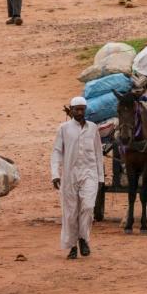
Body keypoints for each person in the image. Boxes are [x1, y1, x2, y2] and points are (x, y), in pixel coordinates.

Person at [50, 97, 105, 260]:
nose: (80, 112)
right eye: (77, 109)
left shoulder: (93, 128)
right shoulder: (64, 128)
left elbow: (98, 153)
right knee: (71, 212)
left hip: (90, 174)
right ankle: (72, 246)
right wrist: (55, 174)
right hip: (69, 176)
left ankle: (83, 239)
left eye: (82, 109)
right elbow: (56, 152)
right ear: (71, 110)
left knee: (88, 207)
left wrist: (101, 178)